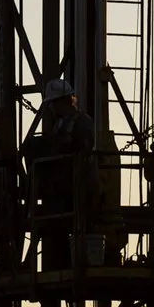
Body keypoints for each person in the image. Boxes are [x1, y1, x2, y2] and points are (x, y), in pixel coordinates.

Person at [25, 79, 96, 268]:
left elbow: (83, 148)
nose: (50, 108)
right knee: (55, 227)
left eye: (52, 103)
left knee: (69, 225)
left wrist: (58, 145)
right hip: (60, 188)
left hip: (76, 187)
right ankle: (57, 263)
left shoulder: (82, 122)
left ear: (62, 101)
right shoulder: (59, 125)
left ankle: (67, 262)